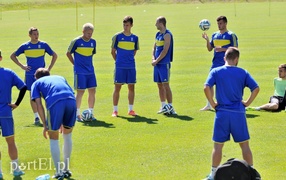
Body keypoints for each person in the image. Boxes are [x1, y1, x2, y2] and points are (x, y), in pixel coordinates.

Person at [203, 47, 259, 180]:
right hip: (238, 113)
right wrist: (247, 103)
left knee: (217, 146)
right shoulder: (243, 72)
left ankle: (213, 174)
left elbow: (206, 87)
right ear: (237, 59)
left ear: (224, 58)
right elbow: (256, 88)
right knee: (245, 145)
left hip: (222, 113)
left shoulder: (216, 71)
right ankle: (251, 174)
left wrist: (212, 103)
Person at [31, 68, 76, 179]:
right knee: (67, 135)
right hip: (71, 100)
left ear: (36, 77)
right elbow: (67, 94)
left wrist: (45, 125)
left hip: (55, 103)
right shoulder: (60, 77)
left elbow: (39, 105)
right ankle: (66, 169)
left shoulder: (36, 83)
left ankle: (58, 172)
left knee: (53, 137)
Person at [10, 27, 58, 125]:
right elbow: (12, 56)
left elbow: (54, 55)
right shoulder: (25, 46)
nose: (36, 36)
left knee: (45, 95)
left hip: (42, 75)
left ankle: (48, 116)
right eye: (34, 34)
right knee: (33, 96)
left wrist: (48, 68)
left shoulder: (43, 45)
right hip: (30, 75)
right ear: (30, 35)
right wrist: (22, 66)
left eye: (37, 34)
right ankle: (36, 117)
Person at [200, 16, 238, 111]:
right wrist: (207, 40)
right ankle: (209, 104)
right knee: (209, 84)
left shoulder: (231, 35)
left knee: (225, 85)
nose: (219, 25)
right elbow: (210, 49)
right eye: (218, 24)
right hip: (215, 64)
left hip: (227, 65)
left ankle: (229, 103)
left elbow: (235, 49)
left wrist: (223, 49)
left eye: (221, 23)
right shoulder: (215, 35)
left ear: (225, 23)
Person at [0, 53, 27, 178]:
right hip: (5, 112)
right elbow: (23, 87)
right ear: (1, 58)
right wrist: (16, 104)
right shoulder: (9, 73)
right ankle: (16, 170)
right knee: (10, 141)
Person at [66, 23, 97, 121]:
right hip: (80, 71)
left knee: (92, 90)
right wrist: (75, 64)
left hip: (90, 71)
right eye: (88, 33)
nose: (90, 35)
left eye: (91, 33)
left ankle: (90, 113)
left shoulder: (93, 42)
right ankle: (77, 114)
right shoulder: (76, 41)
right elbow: (68, 53)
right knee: (80, 92)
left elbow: (91, 54)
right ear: (83, 32)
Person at [111, 16, 139, 117]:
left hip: (131, 66)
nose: (125, 27)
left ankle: (131, 110)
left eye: (127, 25)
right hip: (120, 66)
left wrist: (128, 60)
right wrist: (118, 61)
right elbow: (113, 52)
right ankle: (115, 110)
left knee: (131, 87)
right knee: (117, 87)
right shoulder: (117, 36)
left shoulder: (135, 38)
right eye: (124, 25)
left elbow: (134, 51)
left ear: (131, 25)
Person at [152, 16, 176, 115]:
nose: (155, 25)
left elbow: (165, 50)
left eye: (156, 23)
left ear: (161, 23)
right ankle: (163, 106)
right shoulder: (158, 34)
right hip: (157, 64)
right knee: (159, 85)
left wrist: (156, 61)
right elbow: (154, 47)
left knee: (166, 85)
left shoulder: (167, 35)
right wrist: (153, 58)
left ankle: (170, 106)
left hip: (163, 63)